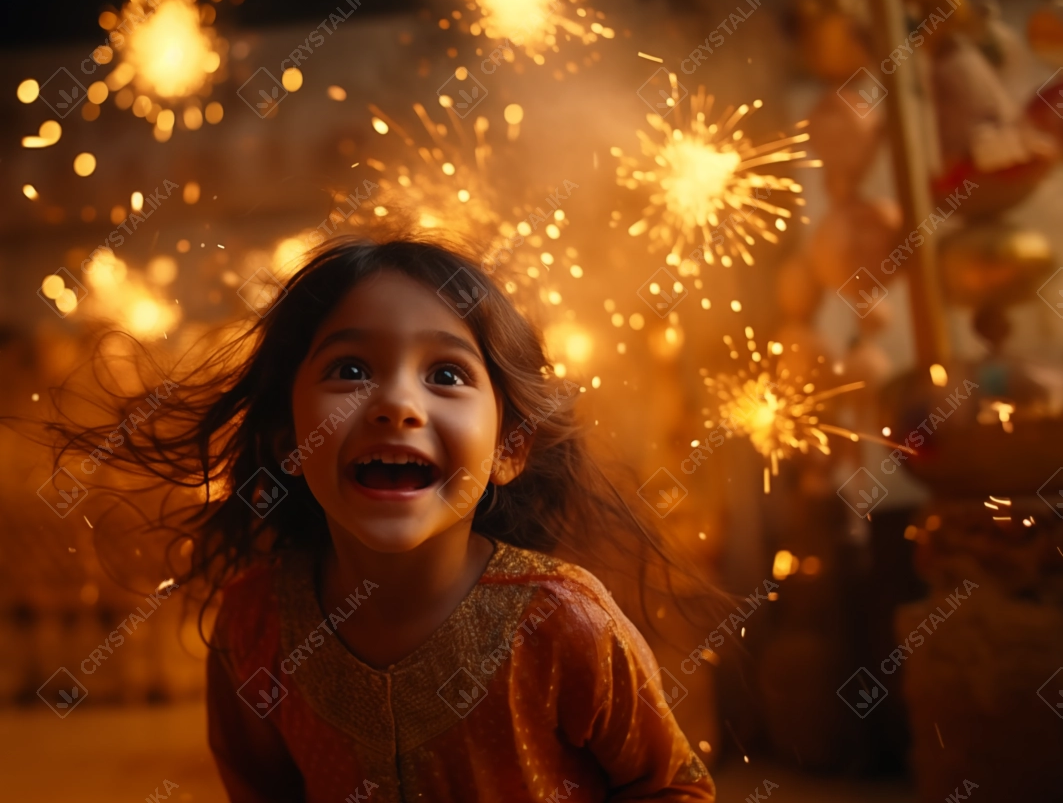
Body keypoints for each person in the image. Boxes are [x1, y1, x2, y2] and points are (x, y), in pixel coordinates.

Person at [55, 235, 716, 801]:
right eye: (350, 369)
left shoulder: (566, 623)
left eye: (447, 375)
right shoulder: (253, 626)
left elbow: (674, 787)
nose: (397, 403)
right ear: (289, 437)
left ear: (510, 446)